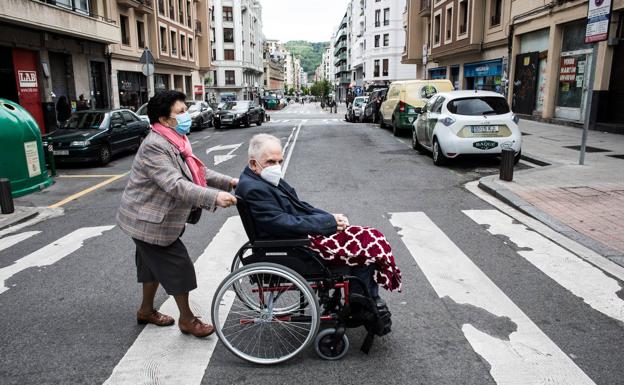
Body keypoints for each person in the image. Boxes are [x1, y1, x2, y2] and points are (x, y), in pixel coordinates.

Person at [117, 90, 238, 338]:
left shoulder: (176, 140)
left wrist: (231, 183)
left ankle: (146, 310)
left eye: (186, 110)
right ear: (164, 119)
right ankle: (187, 319)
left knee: (150, 266)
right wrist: (213, 197)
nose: (187, 116)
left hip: (148, 217)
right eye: (181, 112)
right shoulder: (155, 146)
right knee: (179, 265)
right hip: (148, 220)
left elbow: (198, 172)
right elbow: (175, 184)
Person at [235, 134, 402, 307]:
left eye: (279, 161)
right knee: (371, 242)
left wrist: (329, 218)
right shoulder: (254, 188)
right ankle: (363, 302)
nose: (276, 167)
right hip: (294, 245)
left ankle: (362, 297)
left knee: (369, 238)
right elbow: (281, 222)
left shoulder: (261, 179)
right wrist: (327, 223)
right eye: (271, 162)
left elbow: (300, 206)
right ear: (254, 164)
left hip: (296, 238)